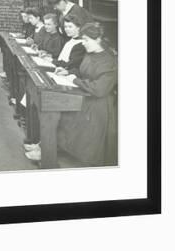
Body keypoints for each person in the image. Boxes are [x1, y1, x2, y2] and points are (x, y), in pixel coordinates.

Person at [26, 22, 118, 166]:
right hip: (84, 94)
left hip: (97, 104)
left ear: (98, 39)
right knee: (54, 108)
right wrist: (68, 72)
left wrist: (75, 80)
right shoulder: (90, 52)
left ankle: (48, 150)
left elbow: (100, 89)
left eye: (86, 40)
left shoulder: (109, 61)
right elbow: (81, 72)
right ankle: (45, 146)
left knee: (58, 113)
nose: (84, 43)